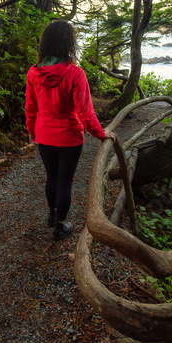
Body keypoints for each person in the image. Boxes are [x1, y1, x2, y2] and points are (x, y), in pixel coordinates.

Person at [25, 20, 116, 242]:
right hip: (68, 138)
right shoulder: (75, 74)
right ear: (69, 43)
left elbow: (30, 107)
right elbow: (85, 112)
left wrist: (31, 131)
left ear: (45, 44)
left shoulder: (33, 73)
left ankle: (51, 213)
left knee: (52, 177)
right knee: (64, 181)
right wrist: (101, 133)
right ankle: (59, 226)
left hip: (44, 134)